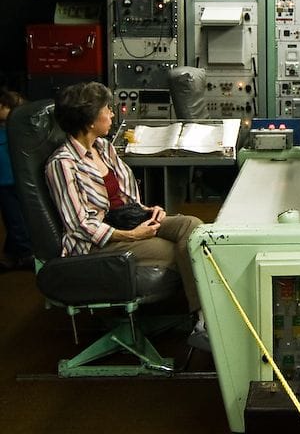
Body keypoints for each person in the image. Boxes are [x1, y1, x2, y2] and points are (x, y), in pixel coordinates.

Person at [44, 82, 210, 349]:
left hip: (129, 220)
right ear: (88, 121)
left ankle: (204, 316)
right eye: (106, 109)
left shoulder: (104, 148)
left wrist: (148, 210)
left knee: (193, 226)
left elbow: (125, 198)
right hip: (99, 242)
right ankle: (204, 321)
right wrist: (131, 235)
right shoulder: (62, 165)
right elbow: (79, 225)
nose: (112, 114)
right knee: (183, 250)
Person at [0, 89, 34, 272]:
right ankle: (23, 254)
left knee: (18, 219)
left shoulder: (17, 132)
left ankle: (13, 255)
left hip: (17, 181)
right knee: (14, 219)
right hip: (5, 183)